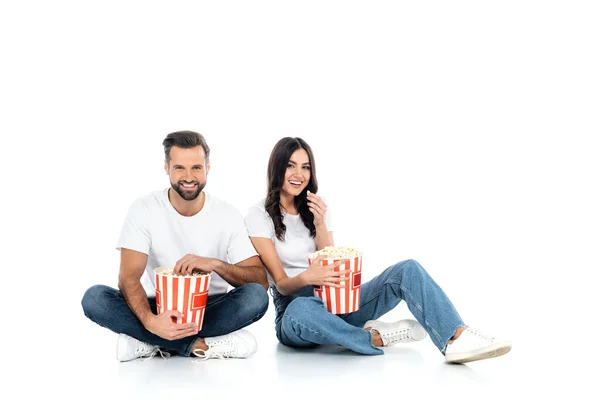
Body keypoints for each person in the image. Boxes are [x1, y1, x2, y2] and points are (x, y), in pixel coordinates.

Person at [244, 137, 512, 363]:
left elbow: (331, 259)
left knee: (407, 270)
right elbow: (280, 284)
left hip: (335, 300)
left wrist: (320, 222)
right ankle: (376, 337)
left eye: (305, 167)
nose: (299, 174)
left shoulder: (317, 206)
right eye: (290, 166)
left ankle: (456, 337)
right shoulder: (259, 215)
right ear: (277, 168)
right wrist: (307, 278)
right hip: (294, 310)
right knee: (303, 308)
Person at [82, 130, 270, 362]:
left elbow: (260, 282)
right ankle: (197, 345)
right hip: (159, 308)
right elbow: (128, 278)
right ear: (167, 168)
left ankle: (151, 342)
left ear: (207, 169)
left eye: (196, 168)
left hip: (209, 307)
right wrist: (151, 321)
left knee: (256, 298)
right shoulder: (144, 209)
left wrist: (215, 264)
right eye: (180, 167)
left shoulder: (227, 214)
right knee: (94, 298)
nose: (189, 176)